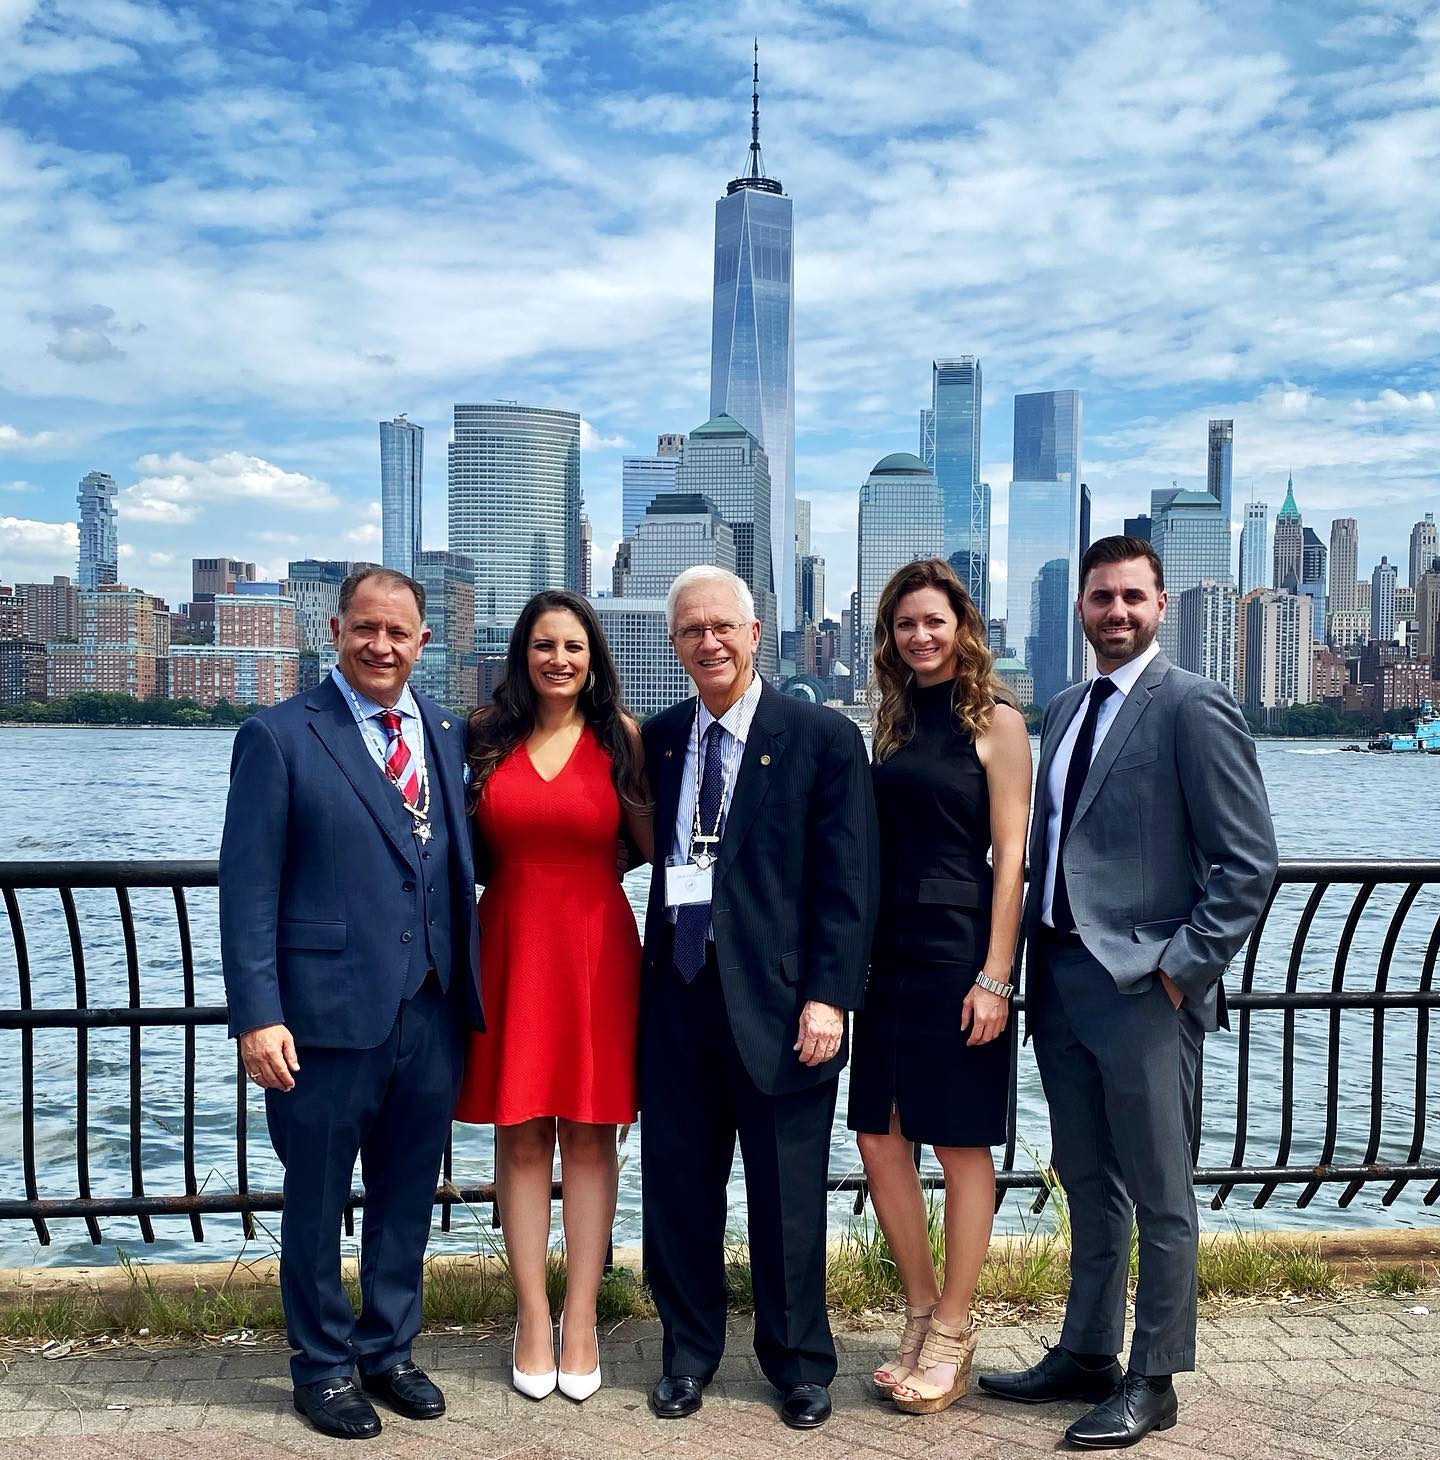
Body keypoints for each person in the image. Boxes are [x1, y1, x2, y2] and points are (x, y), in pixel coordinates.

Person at [978, 536, 1277, 1449]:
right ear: (1081, 609)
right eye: (1101, 598)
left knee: (1160, 1189)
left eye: (1132, 598)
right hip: (1062, 978)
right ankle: (1086, 1353)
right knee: (1087, 1179)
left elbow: (1246, 863)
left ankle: (1156, 1377)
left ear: (1160, 604)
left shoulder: (1192, 706)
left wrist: (1181, 974)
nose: (1115, 612)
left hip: (1145, 987)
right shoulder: (1064, 708)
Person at [219, 567, 483, 1441]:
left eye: (398, 633)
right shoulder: (280, 735)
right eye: (365, 629)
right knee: (318, 1196)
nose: (381, 646)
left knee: (408, 1191)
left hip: (431, 1007)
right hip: (323, 1014)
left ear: (422, 642)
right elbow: (247, 888)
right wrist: (258, 1016)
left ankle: (388, 1349)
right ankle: (323, 1367)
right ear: (334, 631)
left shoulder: (445, 732)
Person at [639, 565, 879, 1432]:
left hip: (784, 1009)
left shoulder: (818, 737)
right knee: (678, 1192)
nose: (708, 642)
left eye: (722, 627)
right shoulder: (662, 738)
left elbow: (848, 883)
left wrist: (830, 997)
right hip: (676, 999)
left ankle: (799, 1363)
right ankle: (688, 1354)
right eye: (690, 630)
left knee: (786, 1198)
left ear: (754, 632)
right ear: (675, 645)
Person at [454, 590, 651, 1403]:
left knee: (591, 1138)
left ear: (593, 656)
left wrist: (591, 879)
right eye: (543, 645)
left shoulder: (622, 738)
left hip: (596, 952)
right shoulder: (483, 737)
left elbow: (652, 846)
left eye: (573, 646)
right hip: (508, 948)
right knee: (522, 1133)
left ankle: (580, 1317)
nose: (558, 659)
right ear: (522, 654)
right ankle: (531, 1316)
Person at [847, 559, 1031, 1415]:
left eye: (934, 621)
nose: (920, 636)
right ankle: (919, 1310)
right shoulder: (884, 726)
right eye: (904, 624)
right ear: (888, 637)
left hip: (960, 952)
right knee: (880, 1138)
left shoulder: (998, 723)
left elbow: (1012, 864)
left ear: (963, 627)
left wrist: (996, 977)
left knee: (959, 1144)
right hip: (888, 951)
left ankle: (954, 1326)